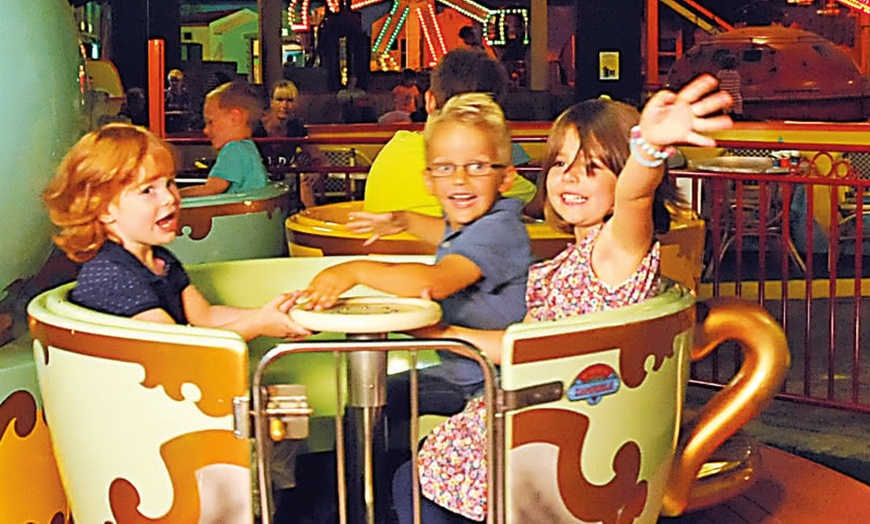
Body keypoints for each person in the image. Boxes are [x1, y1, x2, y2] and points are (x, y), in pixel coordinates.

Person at [391, 74, 734, 523]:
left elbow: (634, 196)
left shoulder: (615, 254)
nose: (571, 177)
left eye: (593, 167)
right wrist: (445, 333)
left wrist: (648, 149)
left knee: (409, 477)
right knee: (412, 469)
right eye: (560, 163)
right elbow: (526, 344)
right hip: (542, 416)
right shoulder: (570, 261)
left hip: (556, 435)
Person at [302, 93, 534, 437]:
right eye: (445, 168)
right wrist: (404, 220)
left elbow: (438, 280)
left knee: (372, 404)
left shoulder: (499, 229)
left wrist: (356, 271)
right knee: (369, 399)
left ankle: (376, 484)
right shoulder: (473, 225)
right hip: (466, 373)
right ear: (429, 180)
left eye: (478, 166)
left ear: (505, 178)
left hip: (494, 385)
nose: (460, 179)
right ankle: (372, 480)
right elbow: (448, 234)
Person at [42, 123, 311, 342]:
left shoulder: (160, 260)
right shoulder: (110, 275)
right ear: (103, 210)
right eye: (148, 190)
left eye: (169, 183)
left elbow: (205, 316)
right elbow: (177, 346)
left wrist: (277, 314)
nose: (170, 198)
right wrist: (257, 323)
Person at [364, 48, 536, 218]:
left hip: (382, 246)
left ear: (429, 101)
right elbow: (540, 207)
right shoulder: (488, 169)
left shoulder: (394, 151)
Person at [180, 80, 270, 197]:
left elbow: (212, 189)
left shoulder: (233, 150)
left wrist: (176, 196)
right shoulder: (249, 148)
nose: (205, 130)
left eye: (210, 122)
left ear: (235, 118)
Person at [254, 79, 326, 208]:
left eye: (290, 100)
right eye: (280, 100)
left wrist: (314, 172)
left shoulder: (296, 127)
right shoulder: (256, 127)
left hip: (284, 184)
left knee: (304, 183)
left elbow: (320, 158)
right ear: (271, 102)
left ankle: (308, 223)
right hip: (257, 184)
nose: (284, 105)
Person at [715, 54, 743, 119]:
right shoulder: (736, 73)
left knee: (727, 115)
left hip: (725, 97)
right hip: (736, 96)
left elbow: (718, 84)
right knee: (737, 115)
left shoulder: (720, 73)